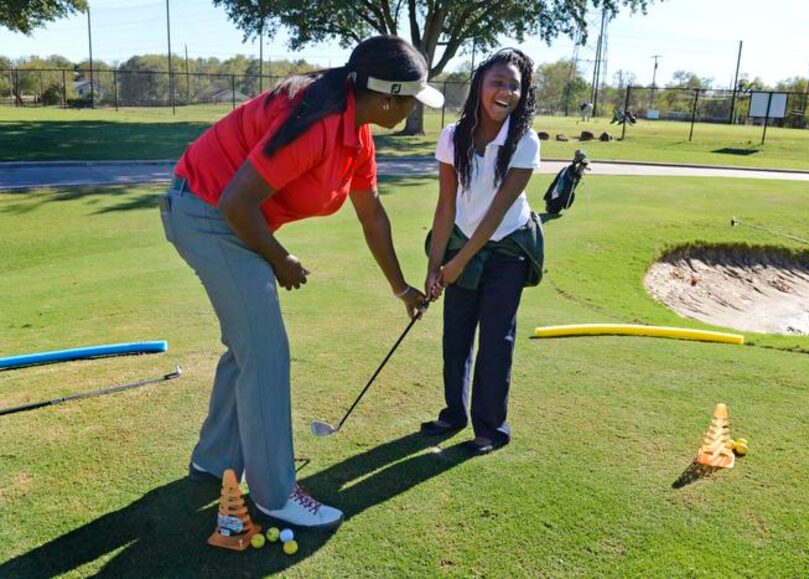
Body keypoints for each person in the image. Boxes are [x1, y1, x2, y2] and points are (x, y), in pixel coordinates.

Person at [158, 35, 444, 531]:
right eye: (411, 99)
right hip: (206, 212)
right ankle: (275, 494)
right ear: (384, 97)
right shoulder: (317, 124)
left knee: (248, 346)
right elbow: (235, 203)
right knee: (265, 350)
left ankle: (214, 460)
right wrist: (280, 259)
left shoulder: (356, 132)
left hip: (231, 215)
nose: (413, 107)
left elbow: (372, 214)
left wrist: (401, 288)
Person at [420, 48, 543, 455]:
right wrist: (435, 267)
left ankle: (490, 428)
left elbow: (494, 214)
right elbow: (445, 207)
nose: (505, 91)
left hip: (508, 246)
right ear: (479, 86)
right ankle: (453, 414)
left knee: (496, 337)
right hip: (462, 238)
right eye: (497, 82)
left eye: (514, 85)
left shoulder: (524, 142)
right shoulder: (453, 136)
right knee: (456, 333)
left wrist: (457, 263)